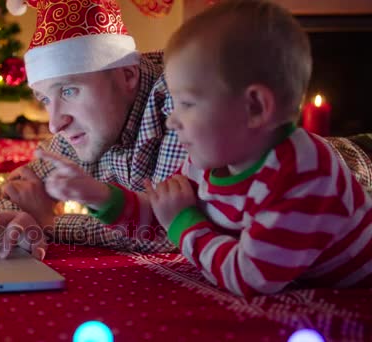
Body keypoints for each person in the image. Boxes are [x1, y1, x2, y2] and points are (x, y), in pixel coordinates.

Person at [35, 0, 372, 297]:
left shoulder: (301, 173)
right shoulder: (209, 161)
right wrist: (99, 196)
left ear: (255, 107)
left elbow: (249, 278)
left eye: (187, 103)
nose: (171, 121)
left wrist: (185, 222)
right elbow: (160, 213)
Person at [0, 0, 187, 259]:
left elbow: (168, 230)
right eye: (45, 99)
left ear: (128, 75)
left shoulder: (181, 95)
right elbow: (6, 191)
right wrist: (15, 218)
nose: (55, 123)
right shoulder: (85, 129)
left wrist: (48, 223)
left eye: (69, 91)